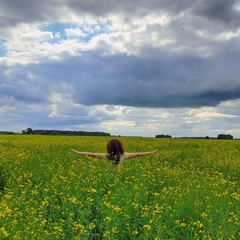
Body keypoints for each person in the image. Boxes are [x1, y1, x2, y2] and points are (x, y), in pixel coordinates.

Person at [70, 139, 158, 165]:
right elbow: (139, 154)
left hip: (108, 179)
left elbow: (91, 154)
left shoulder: (105, 156)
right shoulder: (124, 156)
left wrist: (76, 152)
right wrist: (152, 152)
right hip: (118, 180)